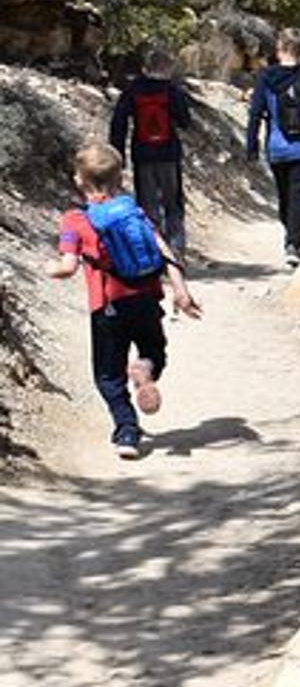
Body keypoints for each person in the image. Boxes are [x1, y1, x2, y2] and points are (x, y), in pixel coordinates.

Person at [48, 143, 202, 460]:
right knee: (154, 351)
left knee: (107, 375)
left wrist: (50, 268)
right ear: (120, 177)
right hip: (146, 299)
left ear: (80, 180)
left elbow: (67, 266)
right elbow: (163, 250)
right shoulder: (133, 211)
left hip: (108, 306)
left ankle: (127, 430)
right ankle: (144, 368)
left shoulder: (75, 220)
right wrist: (181, 291)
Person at [245, 27, 300, 266]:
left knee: (284, 196)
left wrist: (251, 145)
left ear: (280, 49)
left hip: (276, 148)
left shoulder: (266, 77)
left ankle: (290, 236)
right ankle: (293, 243)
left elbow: (256, 113)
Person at [108, 45, 194, 259]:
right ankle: (176, 250)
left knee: (147, 205)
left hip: (142, 154)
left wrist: (118, 156)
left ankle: (153, 251)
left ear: (147, 67)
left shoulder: (133, 89)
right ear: (167, 68)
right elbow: (185, 122)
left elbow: (118, 123)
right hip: (168, 154)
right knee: (172, 203)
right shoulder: (172, 90)